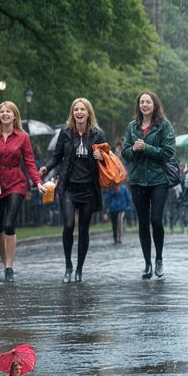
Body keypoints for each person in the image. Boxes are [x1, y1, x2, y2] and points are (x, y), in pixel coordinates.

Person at [43, 98, 106, 283]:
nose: (79, 112)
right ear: (73, 113)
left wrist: (100, 156)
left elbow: (106, 160)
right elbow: (57, 157)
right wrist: (46, 168)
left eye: (82, 109)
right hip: (68, 187)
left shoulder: (97, 135)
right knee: (69, 225)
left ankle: (79, 269)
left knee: (84, 229)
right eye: (76, 109)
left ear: (88, 113)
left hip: (88, 188)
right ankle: (68, 265)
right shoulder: (65, 133)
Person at [122, 91, 177, 280]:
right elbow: (125, 153)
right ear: (138, 105)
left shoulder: (164, 125)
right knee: (143, 222)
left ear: (154, 104)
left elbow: (168, 152)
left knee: (156, 220)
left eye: (148, 102)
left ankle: (159, 259)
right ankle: (147, 263)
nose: (145, 105)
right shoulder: (132, 126)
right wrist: (133, 149)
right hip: (137, 180)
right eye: (142, 102)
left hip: (158, 179)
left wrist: (147, 147)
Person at [0, 102, 40, 282]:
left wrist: (37, 182)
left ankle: (9, 267)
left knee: (9, 224)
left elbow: (30, 163)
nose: (5, 114)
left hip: (16, 181)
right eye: (2, 111)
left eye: (8, 111)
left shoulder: (23, 137)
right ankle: (5, 263)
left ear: (15, 116)